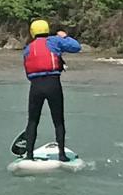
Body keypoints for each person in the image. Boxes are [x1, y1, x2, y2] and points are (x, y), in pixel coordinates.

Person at [22, 19, 82, 161]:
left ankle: (29, 155)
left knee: (32, 121)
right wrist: (64, 36)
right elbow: (76, 47)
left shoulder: (28, 48)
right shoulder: (55, 41)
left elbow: (28, 71)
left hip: (35, 86)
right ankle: (62, 155)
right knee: (58, 120)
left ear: (32, 32)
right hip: (53, 84)